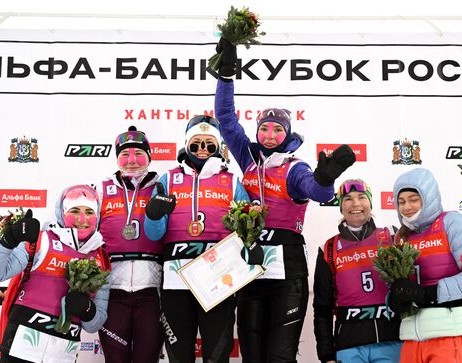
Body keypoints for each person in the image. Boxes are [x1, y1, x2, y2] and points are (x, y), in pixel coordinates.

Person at [214, 37, 356, 363]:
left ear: (287, 135)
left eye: (277, 131)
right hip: (249, 262)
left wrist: (324, 177)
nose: (268, 136)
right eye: (264, 129)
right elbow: (224, 116)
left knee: (280, 356)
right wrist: (226, 73)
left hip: (288, 267)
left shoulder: (295, 168)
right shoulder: (247, 156)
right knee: (252, 355)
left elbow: (318, 194)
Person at [144, 115, 250, 363]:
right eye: (196, 142)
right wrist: (153, 215)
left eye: (209, 143)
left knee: (217, 356)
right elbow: (154, 234)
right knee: (179, 357)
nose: (202, 148)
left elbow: (245, 230)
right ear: (186, 144)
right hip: (176, 280)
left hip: (218, 279)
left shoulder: (232, 181)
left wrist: (250, 245)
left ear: (218, 146)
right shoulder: (168, 179)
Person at [0, 184, 110, 363]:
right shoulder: (42, 241)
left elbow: (95, 324)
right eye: (74, 210)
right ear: (62, 212)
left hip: (63, 356)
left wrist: (87, 310)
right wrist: (9, 239)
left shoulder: (100, 260)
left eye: (89, 212)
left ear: (97, 216)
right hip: (20, 350)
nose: (82, 218)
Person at [389, 167, 462, 363]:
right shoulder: (402, 237)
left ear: (428, 197)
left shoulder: (452, 222)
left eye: (413, 199)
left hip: (451, 336)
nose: (406, 207)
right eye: (401, 202)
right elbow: (401, 288)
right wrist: (395, 300)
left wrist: (429, 294)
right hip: (412, 339)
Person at [94, 126, 165, 363]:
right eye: (125, 155)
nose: (132, 161)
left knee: (147, 358)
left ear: (149, 157)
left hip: (151, 290)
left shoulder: (162, 187)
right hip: (112, 290)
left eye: (138, 154)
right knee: (115, 359)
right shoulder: (101, 190)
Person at [313, 179, 402, 363]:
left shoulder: (392, 236)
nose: (355, 204)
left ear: (370, 202)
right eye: (347, 199)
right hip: (349, 345)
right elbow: (322, 308)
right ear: (341, 206)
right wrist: (326, 355)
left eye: (362, 197)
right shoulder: (329, 248)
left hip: (392, 340)